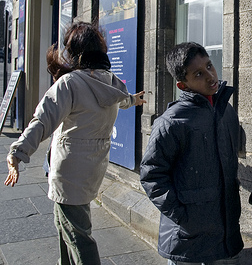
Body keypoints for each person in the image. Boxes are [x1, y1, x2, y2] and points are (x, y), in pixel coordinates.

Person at [4, 21, 147, 265]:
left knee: (77, 235)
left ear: (75, 52)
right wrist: (133, 100)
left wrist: (17, 153)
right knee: (65, 226)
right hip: (92, 168)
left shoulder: (70, 84)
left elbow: (42, 120)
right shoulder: (111, 82)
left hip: (69, 172)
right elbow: (121, 100)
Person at [140, 42, 243, 265]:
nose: (210, 75)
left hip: (224, 234)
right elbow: (151, 175)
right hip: (188, 239)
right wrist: (183, 217)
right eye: (198, 73)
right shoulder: (172, 121)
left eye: (209, 66)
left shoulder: (226, 111)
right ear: (183, 84)